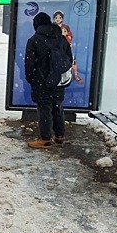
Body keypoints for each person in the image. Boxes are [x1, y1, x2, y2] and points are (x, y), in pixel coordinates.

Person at [25, 12, 73, 148]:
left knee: (44, 108)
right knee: (57, 106)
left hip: (42, 81)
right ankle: (59, 136)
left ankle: (45, 139)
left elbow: (30, 63)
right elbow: (69, 58)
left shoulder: (34, 40)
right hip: (58, 80)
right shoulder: (61, 38)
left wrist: (31, 78)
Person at [53, 10, 83, 83]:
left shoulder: (65, 27)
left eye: (59, 17)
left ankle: (75, 75)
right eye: (56, 17)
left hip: (65, 48)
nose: (58, 19)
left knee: (71, 61)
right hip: (55, 49)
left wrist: (66, 38)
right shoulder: (52, 26)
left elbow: (70, 36)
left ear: (62, 18)